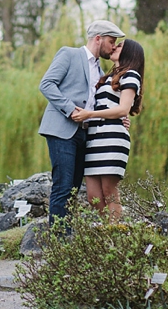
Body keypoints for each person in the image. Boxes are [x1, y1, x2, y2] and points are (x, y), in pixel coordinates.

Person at [38, 19, 125, 228]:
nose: (113, 47)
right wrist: (70, 110)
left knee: (74, 190)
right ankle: (59, 243)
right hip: (62, 131)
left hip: (85, 134)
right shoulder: (69, 54)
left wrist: (121, 116)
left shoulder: (100, 71)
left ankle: (66, 242)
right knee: (63, 187)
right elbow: (46, 84)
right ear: (98, 39)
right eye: (111, 41)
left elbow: (98, 103)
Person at [71, 38, 145, 220]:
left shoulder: (131, 75)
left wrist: (89, 115)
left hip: (112, 138)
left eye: (119, 46)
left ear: (129, 52)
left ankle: (114, 233)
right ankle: (109, 229)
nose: (113, 47)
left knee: (108, 190)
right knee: (93, 196)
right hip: (95, 139)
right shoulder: (108, 77)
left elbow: (123, 109)